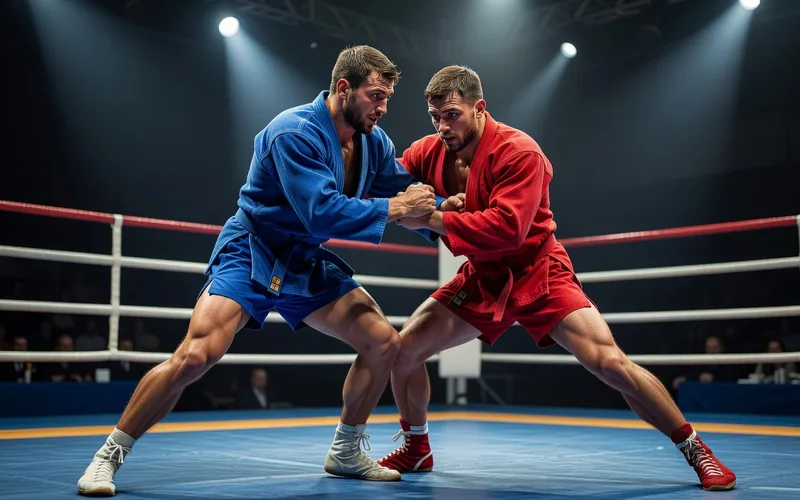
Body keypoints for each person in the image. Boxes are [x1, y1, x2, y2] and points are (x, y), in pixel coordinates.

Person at [77, 45, 440, 496]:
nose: (382, 108)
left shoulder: (374, 143)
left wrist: (458, 215)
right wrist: (397, 207)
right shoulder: (294, 132)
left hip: (302, 258)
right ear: (344, 87)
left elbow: (411, 195)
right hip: (253, 249)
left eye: (387, 98)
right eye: (375, 96)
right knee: (196, 356)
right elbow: (323, 214)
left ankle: (346, 451)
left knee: (384, 343)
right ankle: (108, 456)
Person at [376, 65, 737, 492]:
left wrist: (431, 216)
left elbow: (508, 229)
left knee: (609, 363)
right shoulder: (429, 151)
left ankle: (696, 450)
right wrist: (400, 199)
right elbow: (384, 180)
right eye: (435, 117)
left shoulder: (519, 152)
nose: (443, 127)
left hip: (538, 269)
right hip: (484, 274)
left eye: (452, 115)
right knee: (403, 350)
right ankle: (416, 447)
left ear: (479, 108)